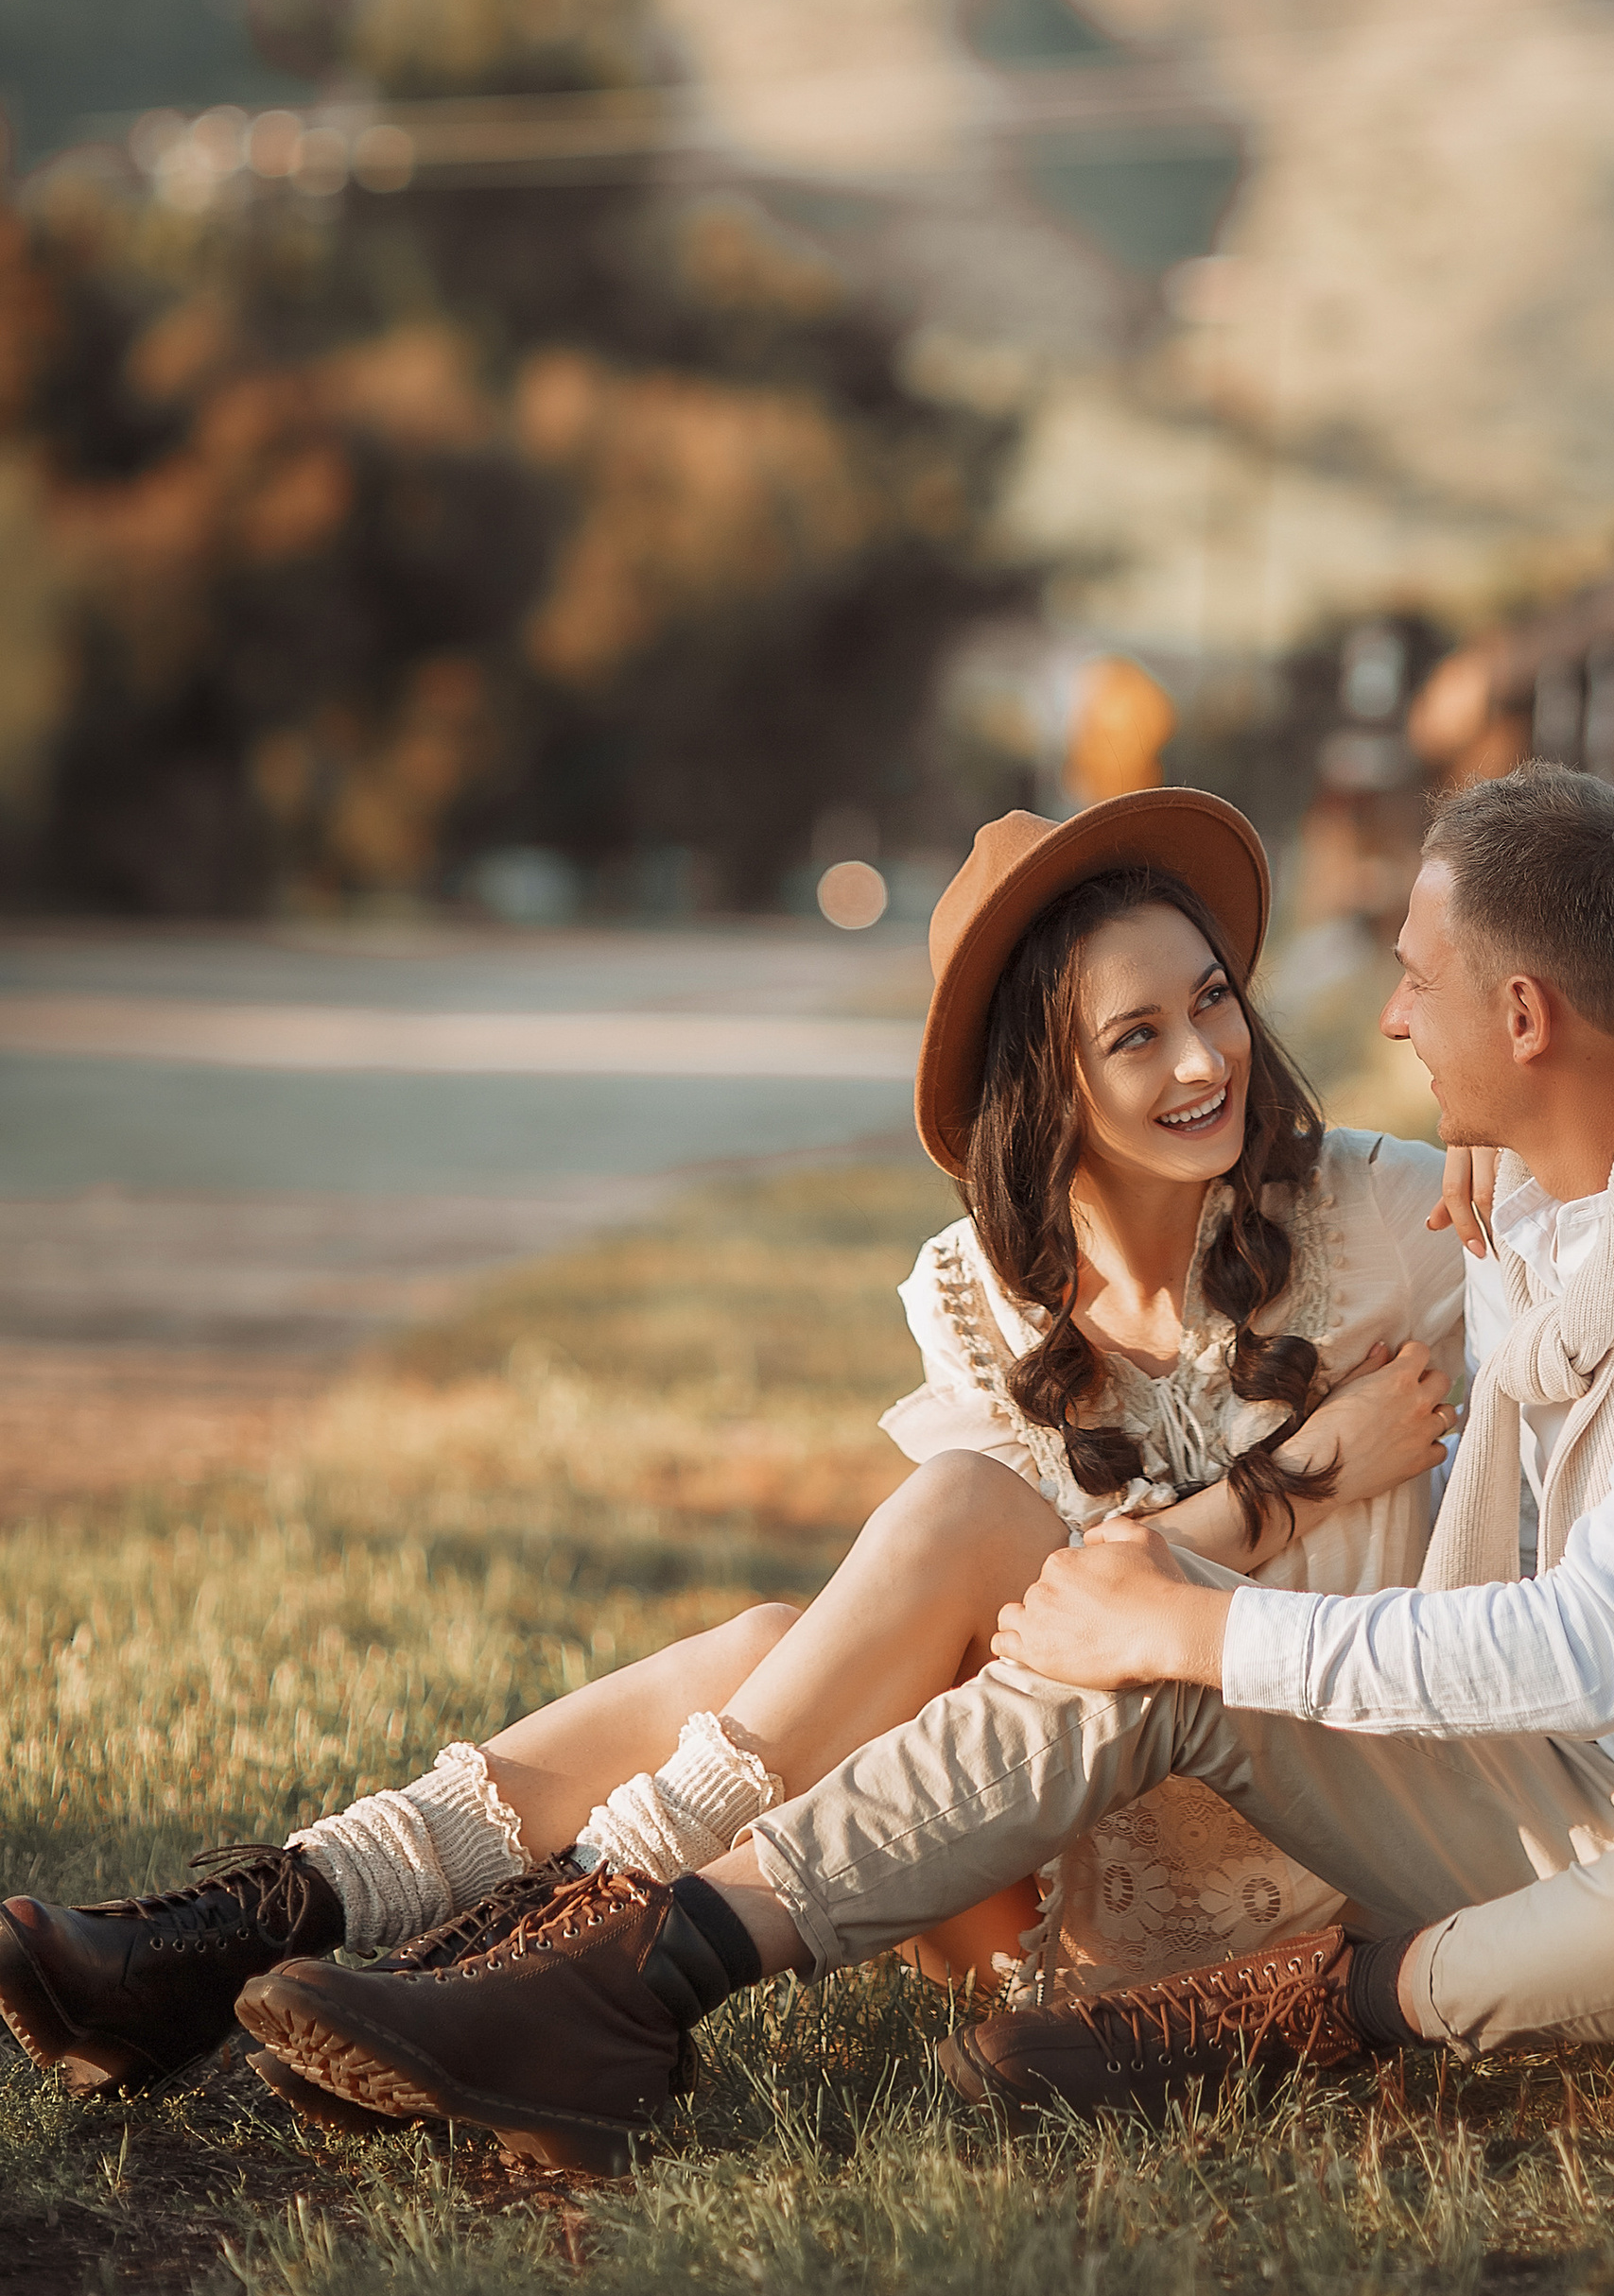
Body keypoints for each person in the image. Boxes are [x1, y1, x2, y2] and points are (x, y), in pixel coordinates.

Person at [228, 761, 1614, 2171]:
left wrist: (1204, 1628)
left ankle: (1289, 2019)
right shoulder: (1575, 1178)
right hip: (1589, 1798)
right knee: (1101, 1627)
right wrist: (1181, 1610)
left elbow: (1607, 1638)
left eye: (1422, 980)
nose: (1376, 1020)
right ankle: (618, 1989)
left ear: (1522, 1019)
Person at [0, 787, 1463, 2111]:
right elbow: (1048, 1649)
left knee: (956, 1516)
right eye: (1137, 1035)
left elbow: (1612, 1193)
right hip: (1039, 1866)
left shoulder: (1383, 1215)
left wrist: (1484, 1140)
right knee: (772, 1642)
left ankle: (519, 1957)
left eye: (1212, 1002)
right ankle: (260, 1927)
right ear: (1047, 1078)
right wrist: (1304, 1471)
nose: (1207, 1058)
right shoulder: (985, 1295)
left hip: (1294, 1855)